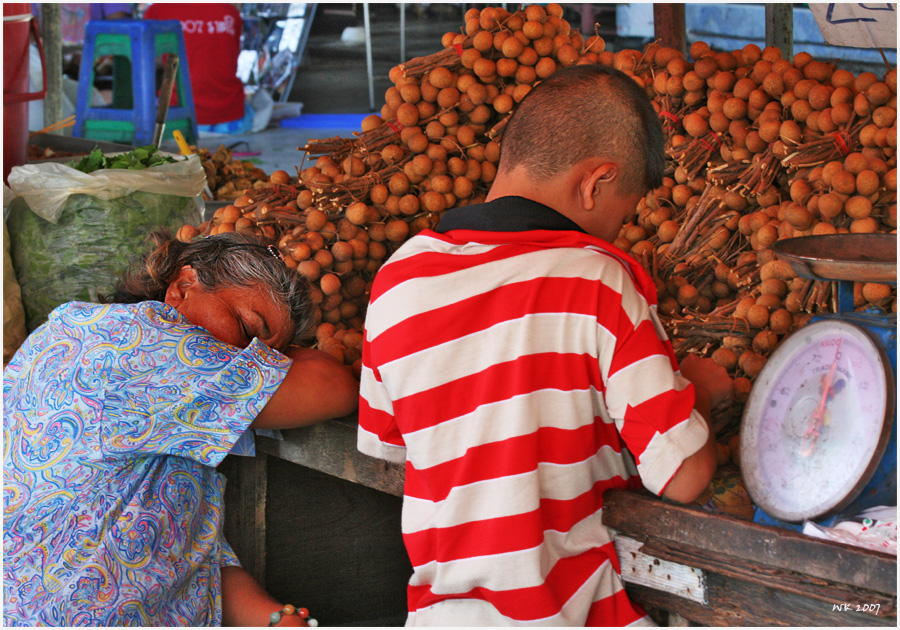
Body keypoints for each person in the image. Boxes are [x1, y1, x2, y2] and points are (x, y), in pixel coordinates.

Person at [357, 64, 733, 626]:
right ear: (595, 182)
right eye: (621, 213)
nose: (615, 232)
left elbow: (391, 446)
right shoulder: (597, 281)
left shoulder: (398, 278)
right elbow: (684, 476)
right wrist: (702, 392)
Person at [4, 231, 358, 626]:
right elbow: (332, 385)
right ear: (183, 285)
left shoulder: (92, 342)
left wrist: (275, 618)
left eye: (267, 357)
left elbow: (179, 552)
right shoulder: (151, 345)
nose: (247, 361)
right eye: (245, 330)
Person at [142, 3, 258, 133]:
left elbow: (145, 58)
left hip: (176, 117)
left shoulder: (157, 10)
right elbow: (229, 56)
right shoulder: (230, 11)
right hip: (231, 118)